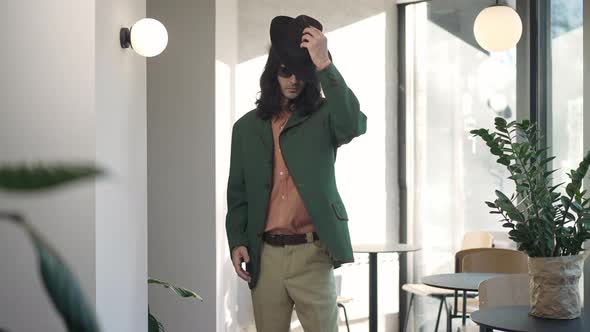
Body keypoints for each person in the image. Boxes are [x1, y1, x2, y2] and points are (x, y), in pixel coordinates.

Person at [225, 14, 367, 332]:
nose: (293, 81)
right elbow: (238, 193)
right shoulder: (246, 129)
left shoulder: (325, 116)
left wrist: (324, 63)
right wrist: (237, 240)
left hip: (313, 254)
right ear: (272, 73)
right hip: (266, 256)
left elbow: (352, 123)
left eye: (301, 74)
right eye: (285, 72)